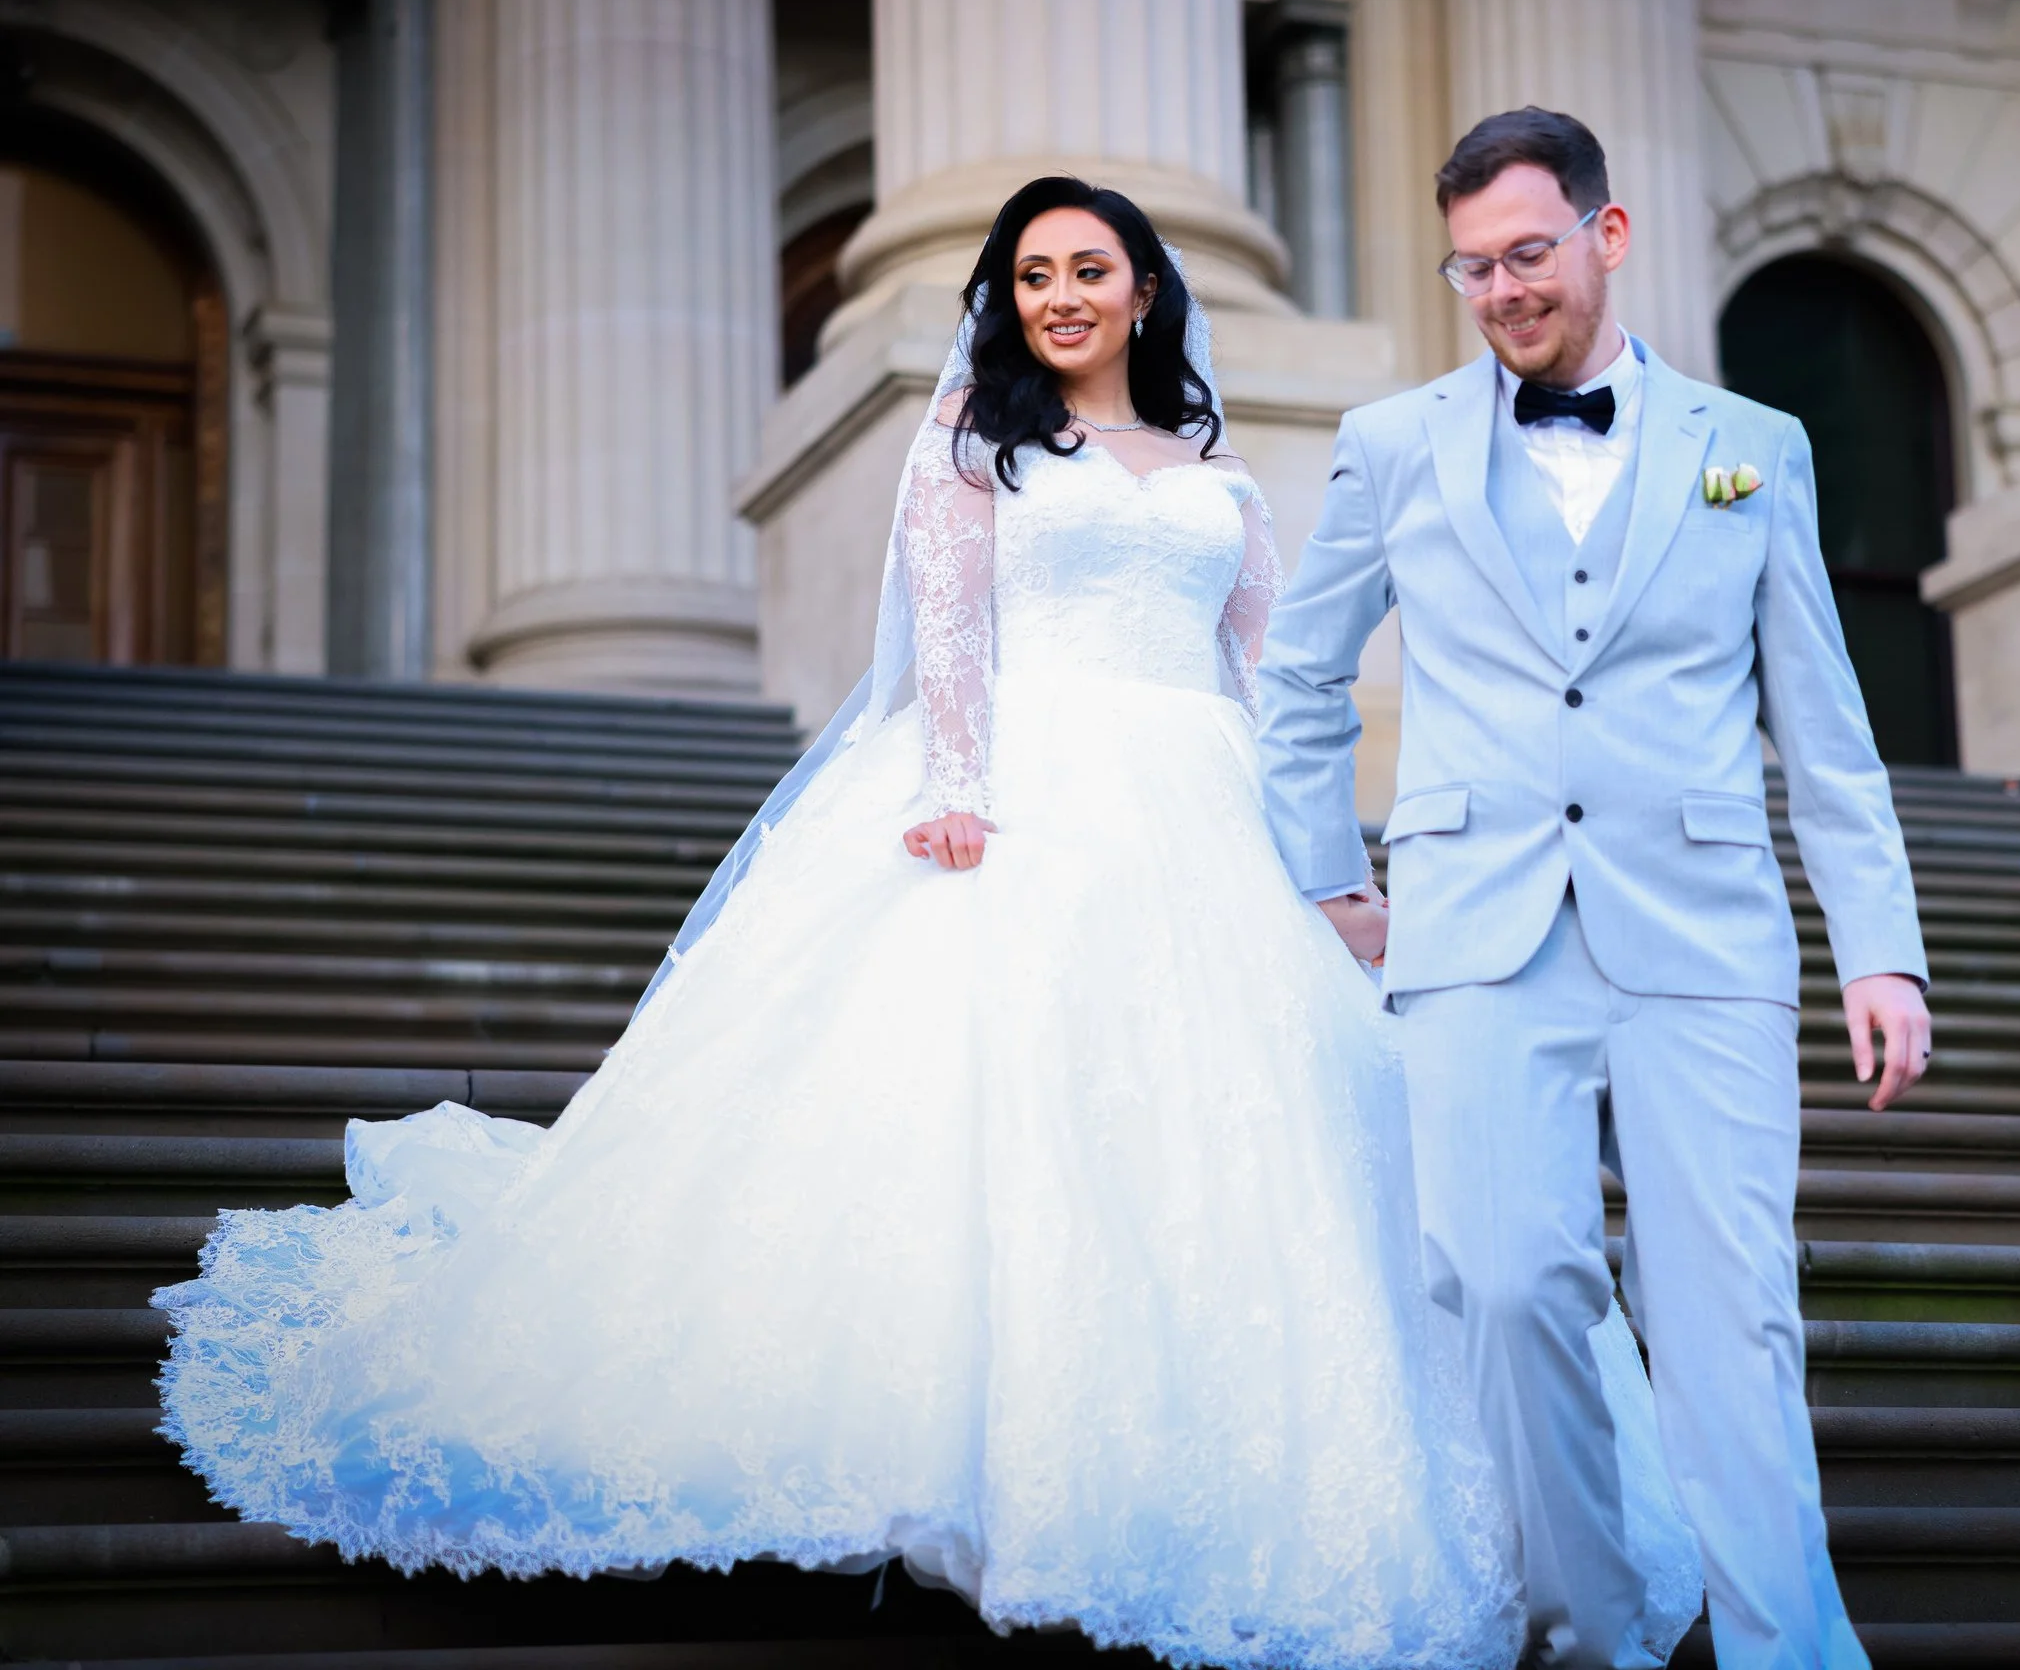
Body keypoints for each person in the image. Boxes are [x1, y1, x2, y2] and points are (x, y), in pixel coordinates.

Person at [154, 175, 1701, 1669]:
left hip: (1205, 806)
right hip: (1028, 787)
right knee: (1002, 1113)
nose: (1060, 297)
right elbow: (948, 621)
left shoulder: (1218, 472)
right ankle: (980, 1470)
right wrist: (957, 781)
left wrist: (1334, 871)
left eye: (1087, 270)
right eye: (1033, 277)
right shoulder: (974, 435)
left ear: (1143, 289)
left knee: (1248, 1129)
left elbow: (1270, 681)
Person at [1258, 108, 1934, 1670]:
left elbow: (1825, 731)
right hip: (1473, 930)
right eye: (1471, 265)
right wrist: (1328, 878)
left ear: (1607, 235)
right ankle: (1598, 1628)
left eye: (1528, 253)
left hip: (1701, 934)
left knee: (1730, 1322)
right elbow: (1299, 679)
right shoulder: (1391, 445)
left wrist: (1879, 952)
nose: (1501, 289)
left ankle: (1786, 1650)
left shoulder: (1753, 448)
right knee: (1498, 1285)